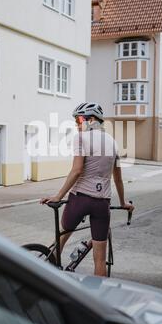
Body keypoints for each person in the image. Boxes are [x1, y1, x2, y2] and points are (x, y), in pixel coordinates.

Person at [40, 102, 134, 277]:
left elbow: (76, 170)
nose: (77, 124)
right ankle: (99, 299)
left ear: (91, 120)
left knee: (61, 239)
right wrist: (123, 203)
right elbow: (118, 178)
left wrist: (58, 195)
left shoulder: (81, 138)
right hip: (102, 202)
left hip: (80, 199)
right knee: (100, 260)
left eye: (79, 119)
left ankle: (43, 275)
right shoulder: (113, 143)